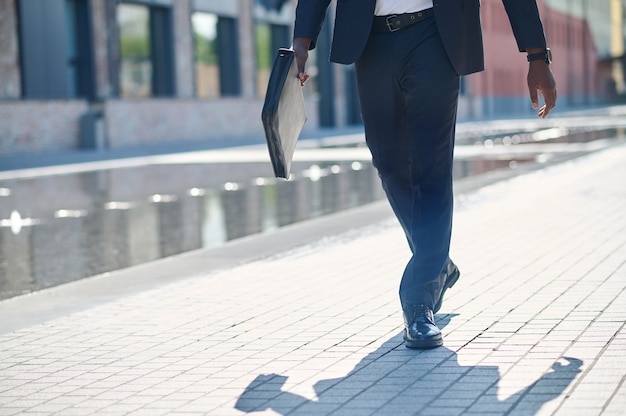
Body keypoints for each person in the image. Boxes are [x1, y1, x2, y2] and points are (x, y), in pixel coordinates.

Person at [292, 0, 556, 349]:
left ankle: (418, 304)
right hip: (370, 38)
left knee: (431, 164)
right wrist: (301, 41)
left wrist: (537, 55)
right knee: (387, 161)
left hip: (436, 32)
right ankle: (437, 264)